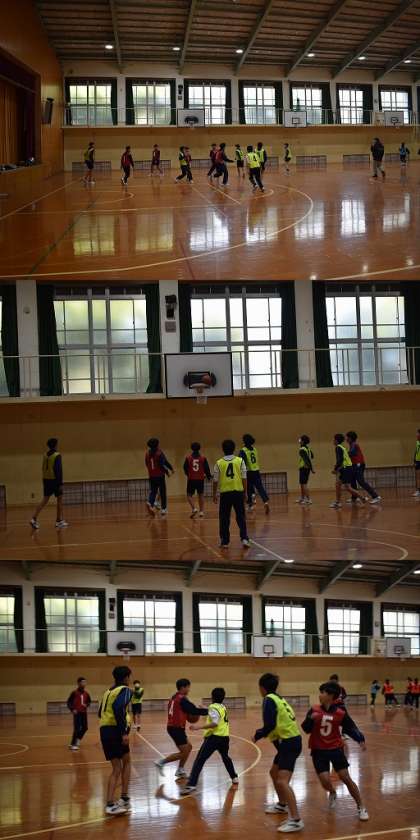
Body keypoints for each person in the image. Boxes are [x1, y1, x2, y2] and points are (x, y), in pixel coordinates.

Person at [301, 681, 369, 821]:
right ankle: (332, 792)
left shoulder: (340, 713)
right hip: (318, 750)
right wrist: (310, 720)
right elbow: (306, 729)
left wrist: (360, 739)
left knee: (345, 778)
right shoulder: (314, 710)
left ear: (331, 695)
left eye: (322, 692)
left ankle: (361, 806)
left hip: (335, 749)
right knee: (325, 780)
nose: (320, 695)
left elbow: (350, 728)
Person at [253, 673, 303, 834]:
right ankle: (282, 805)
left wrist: (258, 734)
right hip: (289, 742)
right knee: (274, 772)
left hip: (289, 742)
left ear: (262, 687)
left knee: (282, 781)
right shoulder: (278, 698)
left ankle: (296, 820)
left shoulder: (269, 699)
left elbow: (270, 725)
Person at [181, 687, 238, 795]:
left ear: (212, 697)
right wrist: (205, 708)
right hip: (224, 737)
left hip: (213, 738)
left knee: (199, 760)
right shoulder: (222, 707)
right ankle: (234, 777)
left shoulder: (213, 707)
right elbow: (215, 713)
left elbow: (215, 723)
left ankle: (191, 785)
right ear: (223, 697)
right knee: (225, 757)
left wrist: (199, 727)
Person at [154, 678, 208, 778]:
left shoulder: (174, 697)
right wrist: (207, 711)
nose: (189, 690)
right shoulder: (182, 699)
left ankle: (180, 769)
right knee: (184, 751)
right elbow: (194, 710)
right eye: (188, 687)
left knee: (189, 747)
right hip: (176, 728)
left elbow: (186, 711)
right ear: (183, 687)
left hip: (174, 727)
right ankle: (161, 762)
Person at [98, 665, 133, 815]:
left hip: (105, 729)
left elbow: (100, 712)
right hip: (115, 731)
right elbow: (118, 708)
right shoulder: (125, 690)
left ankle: (124, 798)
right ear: (126, 677)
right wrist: (124, 732)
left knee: (126, 760)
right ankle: (110, 804)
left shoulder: (108, 691)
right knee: (118, 767)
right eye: (129, 677)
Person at [213, 439, 250, 549]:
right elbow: (244, 478)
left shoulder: (219, 463)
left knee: (224, 518)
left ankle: (225, 541)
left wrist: (214, 494)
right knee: (241, 517)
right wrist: (245, 492)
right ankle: (244, 538)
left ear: (223, 449)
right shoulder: (240, 461)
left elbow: (215, 480)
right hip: (238, 492)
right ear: (234, 449)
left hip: (225, 494)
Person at [30, 438, 68, 530]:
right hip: (55, 480)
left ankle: (33, 518)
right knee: (59, 500)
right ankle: (58, 521)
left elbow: (43, 468)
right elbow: (58, 470)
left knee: (44, 500)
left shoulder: (45, 455)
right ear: (55, 445)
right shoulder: (57, 455)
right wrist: (60, 483)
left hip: (46, 480)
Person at [329, 433, 366, 509]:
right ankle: (338, 502)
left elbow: (340, 460)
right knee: (338, 484)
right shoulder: (342, 447)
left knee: (347, 487)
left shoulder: (338, 448)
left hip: (346, 468)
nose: (333, 441)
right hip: (346, 468)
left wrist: (335, 469)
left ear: (336, 440)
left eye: (334, 439)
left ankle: (362, 498)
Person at [346, 431, 381, 505]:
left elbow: (352, 453)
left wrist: (344, 453)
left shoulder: (354, 444)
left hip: (358, 464)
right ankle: (354, 497)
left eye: (347, 437)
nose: (346, 439)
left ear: (351, 438)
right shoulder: (351, 444)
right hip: (354, 465)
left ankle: (376, 496)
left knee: (361, 481)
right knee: (352, 481)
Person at [239, 433, 269, 513]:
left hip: (249, 472)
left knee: (248, 489)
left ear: (244, 441)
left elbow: (242, 462)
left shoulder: (243, 450)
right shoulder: (255, 449)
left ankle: (250, 505)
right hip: (256, 471)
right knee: (260, 488)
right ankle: (265, 502)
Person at [145, 438, 174, 517]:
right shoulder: (159, 453)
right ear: (157, 444)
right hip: (160, 476)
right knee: (162, 491)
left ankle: (150, 503)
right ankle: (163, 509)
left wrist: (151, 471)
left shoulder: (147, 453)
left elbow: (146, 464)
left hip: (151, 476)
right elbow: (163, 464)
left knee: (153, 491)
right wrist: (168, 471)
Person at [183, 442, 212, 518]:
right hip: (200, 479)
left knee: (189, 495)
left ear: (191, 448)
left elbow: (185, 468)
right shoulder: (203, 458)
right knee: (201, 494)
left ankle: (194, 508)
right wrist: (209, 476)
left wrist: (188, 474)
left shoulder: (188, 458)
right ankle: (201, 511)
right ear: (199, 448)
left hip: (191, 479)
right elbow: (207, 468)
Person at [67, 677, 91, 751]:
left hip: (84, 713)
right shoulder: (74, 693)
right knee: (77, 728)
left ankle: (78, 739)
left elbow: (89, 701)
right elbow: (69, 702)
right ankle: (73, 744)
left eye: (85, 682)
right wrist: (72, 709)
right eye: (82, 682)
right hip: (77, 713)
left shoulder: (86, 693)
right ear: (78, 683)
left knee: (85, 728)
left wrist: (86, 705)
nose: (84, 684)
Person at [296, 435, 314, 505]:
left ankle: (309, 499)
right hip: (305, 468)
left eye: (300, 439)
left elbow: (307, 460)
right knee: (302, 483)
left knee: (304, 484)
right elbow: (312, 456)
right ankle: (302, 498)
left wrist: (311, 468)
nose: (299, 440)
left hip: (304, 468)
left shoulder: (302, 449)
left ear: (303, 441)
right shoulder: (307, 448)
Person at [413, 428, 420, 497]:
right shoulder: (417, 442)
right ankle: (418, 491)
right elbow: (416, 451)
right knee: (418, 477)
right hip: (418, 461)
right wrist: (414, 460)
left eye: (417, 433)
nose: (416, 434)